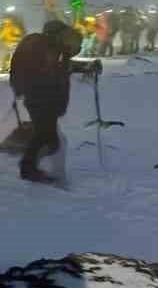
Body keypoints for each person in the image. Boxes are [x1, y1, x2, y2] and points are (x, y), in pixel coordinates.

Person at [9, 20, 98, 183]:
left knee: (46, 136)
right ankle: (28, 168)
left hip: (39, 98)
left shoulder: (47, 47)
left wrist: (85, 67)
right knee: (46, 136)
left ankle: (30, 167)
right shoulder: (50, 49)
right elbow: (56, 69)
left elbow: (63, 65)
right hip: (43, 99)